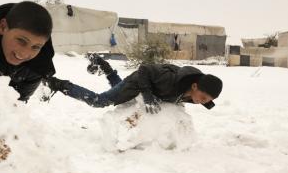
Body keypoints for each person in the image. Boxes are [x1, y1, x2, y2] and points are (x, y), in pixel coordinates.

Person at [44, 54, 223, 113]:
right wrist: (147, 96)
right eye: (203, 96)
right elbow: (145, 69)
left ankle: (105, 67)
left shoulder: (194, 94)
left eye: (207, 100)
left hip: (142, 86)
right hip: (139, 82)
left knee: (119, 88)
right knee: (99, 101)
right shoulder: (170, 79)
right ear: (194, 86)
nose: (202, 101)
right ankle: (58, 84)